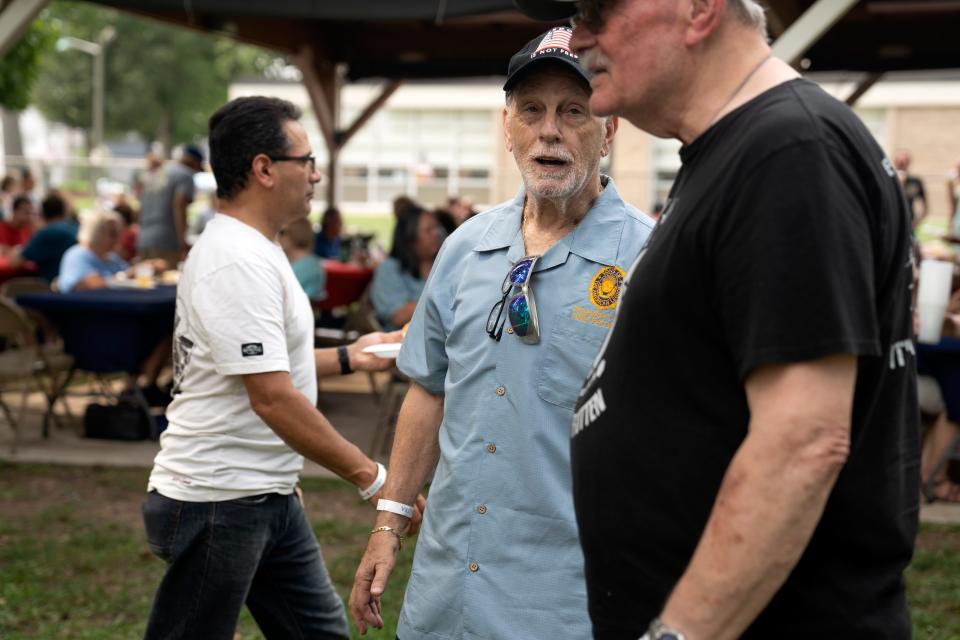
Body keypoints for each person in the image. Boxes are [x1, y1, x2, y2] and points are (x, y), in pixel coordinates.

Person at [514, 1, 918, 638]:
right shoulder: (739, 150)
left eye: (597, 10)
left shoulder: (788, 151)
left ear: (698, 7)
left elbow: (803, 442)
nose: (578, 35)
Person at [349, 26, 653, 639]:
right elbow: (428, 390)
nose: (550, 130)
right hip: (449, 589)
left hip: (570, 599)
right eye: (532, 110)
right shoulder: (466, 246)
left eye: (575, 111)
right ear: (507, 126)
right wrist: (389, 522)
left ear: (610, 128)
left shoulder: (648, 260)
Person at [142, 96, 425, 640]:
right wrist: (373, 478)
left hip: (263, 497)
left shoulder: (258, 248)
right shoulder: (236, 259)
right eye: (307, 161)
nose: (316, 174)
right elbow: (271, 396)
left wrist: (351, 355)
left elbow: (267, 366)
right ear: (265, 169)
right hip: (217, 501)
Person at [369, 205, 442, 331]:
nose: (437, 234)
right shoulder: (389, 269)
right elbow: (398, 316)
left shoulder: (442, 266)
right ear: (410, 237)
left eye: (437, 228)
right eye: (428, 230)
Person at [137, 144, 203, 264]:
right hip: (166, 241)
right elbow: (179, 205)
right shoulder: (185, 175)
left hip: (143, 239)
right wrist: (182, 240)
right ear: (194, 162)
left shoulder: (157, 172)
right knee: (166, 280)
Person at [57, 212, 130, 293]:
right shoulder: (77, 255)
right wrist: (125, 277)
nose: (118, 238)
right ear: (96, 233)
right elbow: (86, 284)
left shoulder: (111, 257)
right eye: (113, 233)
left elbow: (128, 273)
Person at [15, 193, 77, 282]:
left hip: (51, 287)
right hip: (74, 285)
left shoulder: (46, 233)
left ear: (43, 214)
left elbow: (17, 262)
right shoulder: (74, 228)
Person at [280, 216, 327, 299]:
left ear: (294, 234)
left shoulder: (298, 269)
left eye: (282, 232)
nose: (277, 236)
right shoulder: (314, 263)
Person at [893, 149, 927, 229]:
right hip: (893, 223)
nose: (901, 164)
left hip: (909, 223)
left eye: (904, 162)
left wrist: (917, 222)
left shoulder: (915, 182)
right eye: (899, 162)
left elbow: (925, 206)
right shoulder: (889, 181)